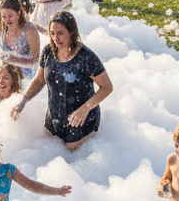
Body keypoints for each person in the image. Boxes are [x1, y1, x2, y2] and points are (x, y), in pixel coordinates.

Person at [11, 11, 113, 152]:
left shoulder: (86, 58)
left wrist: (85, 109)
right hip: (54, 117)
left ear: (71, 32)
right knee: (45, 148)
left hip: (81, 118)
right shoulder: (48, 51)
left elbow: (107, 87)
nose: (55, 38)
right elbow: (40, 79)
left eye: (60, 33)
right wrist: (23, 101)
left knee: (71, 150)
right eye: (52, 33)